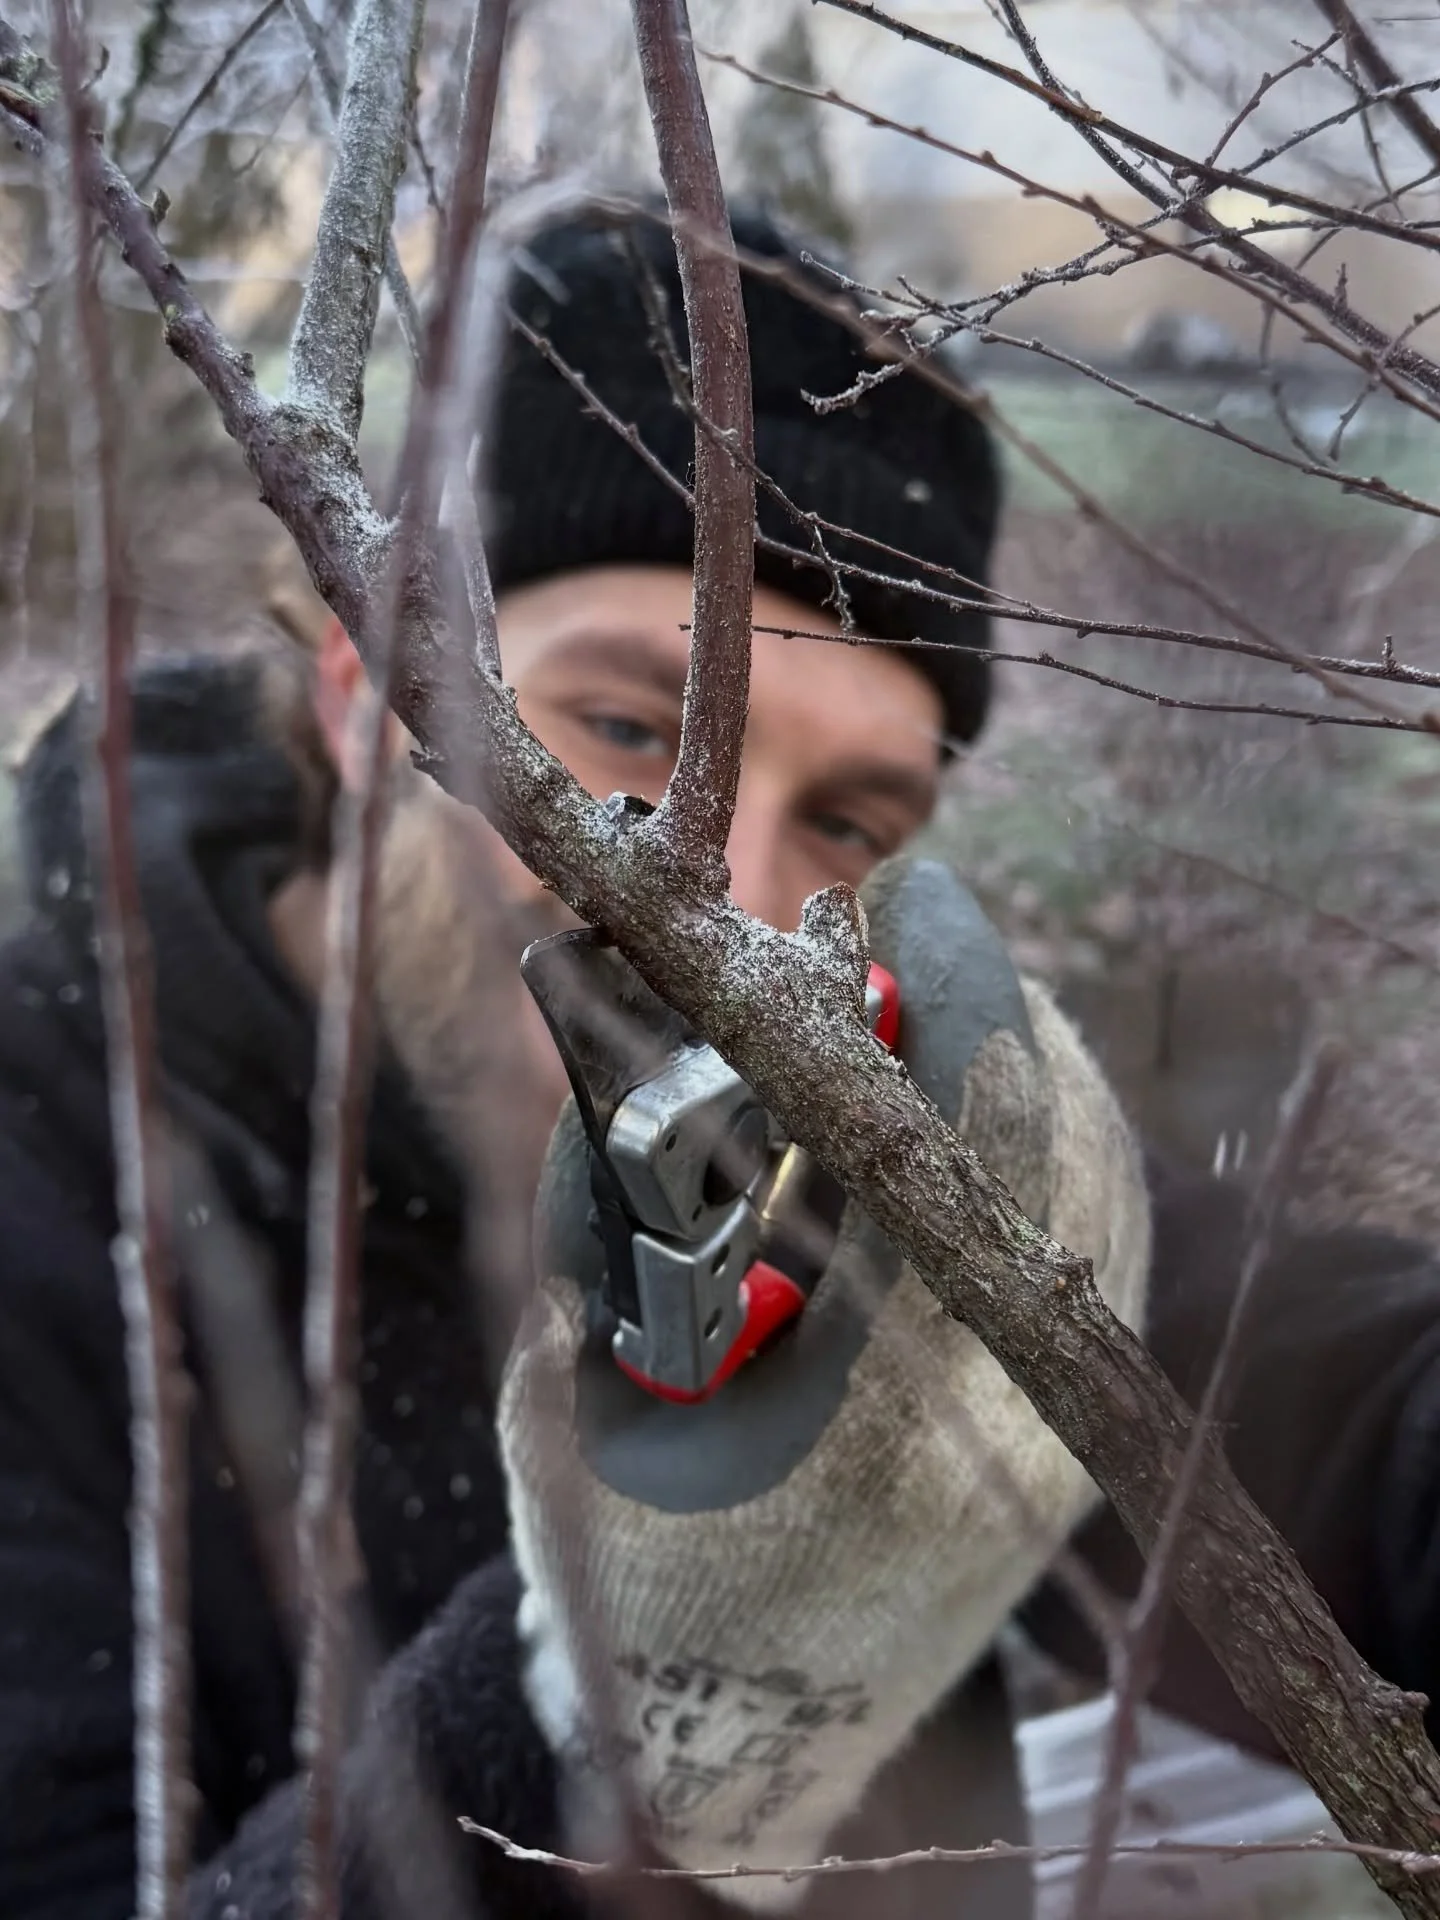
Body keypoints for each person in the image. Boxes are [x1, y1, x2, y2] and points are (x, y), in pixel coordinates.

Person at [0, 202, 1437, 1920]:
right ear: (359, 685)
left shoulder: (846, 1128)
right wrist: (588, 1715)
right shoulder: (36, 1197)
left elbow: (1307, 1406)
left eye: (846, 821)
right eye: (621, 732)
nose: (722, 908)